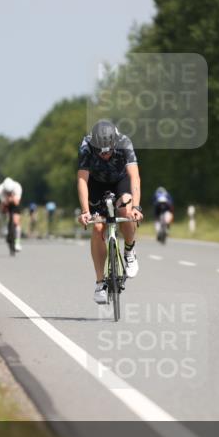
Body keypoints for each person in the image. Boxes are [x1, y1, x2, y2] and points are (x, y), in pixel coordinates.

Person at [76, 119, 143, 304]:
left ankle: (129, 250)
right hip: (96, 184)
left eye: (108, 151)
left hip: (120, 180)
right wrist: (84, 211)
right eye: (101, 152)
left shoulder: (124, 143)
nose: (105, 156)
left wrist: (136, 207)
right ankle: (100, 283)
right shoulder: (86, 146)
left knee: (126, 211)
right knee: (97, 227)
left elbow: (134, 176)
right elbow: (82, 179)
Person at [0, 177, 23, 251]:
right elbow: (3, 205)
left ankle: (17, 242)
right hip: (4, 202)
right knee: (3, 211)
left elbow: (16, 202)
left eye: (10, 191)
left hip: (15, 202)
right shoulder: (0, 190)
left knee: (16, 221)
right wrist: (7, 201)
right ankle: (5, 226)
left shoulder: (17, 187)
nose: (8, 193)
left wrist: (12, 198)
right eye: (7, 192)